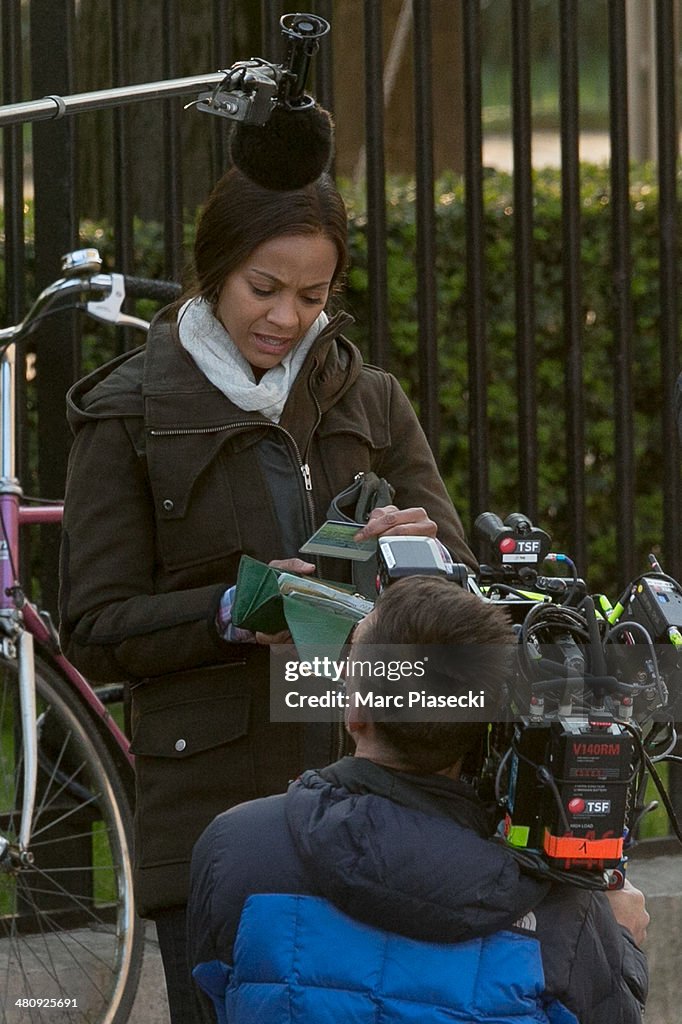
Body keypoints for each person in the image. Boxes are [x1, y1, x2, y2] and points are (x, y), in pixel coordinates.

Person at [58, 168, 476, 1023]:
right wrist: (236, 611)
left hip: (385, 807)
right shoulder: (128, 414)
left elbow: (466, 596)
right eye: (264, 288)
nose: (286, 319)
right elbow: (94, 628)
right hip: (217, 825)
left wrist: (415, 554)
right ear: (214, 271)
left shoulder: (370, 398)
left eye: (312, 295)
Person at [188, 576, 649, 1024]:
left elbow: (214, 997)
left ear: (355, 711)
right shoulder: (564, 910)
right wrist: (623, 946)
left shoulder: (235, 851)